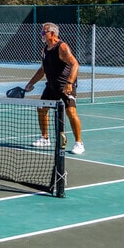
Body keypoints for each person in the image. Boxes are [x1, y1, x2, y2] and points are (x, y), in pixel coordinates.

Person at [25, 22, 84, 154]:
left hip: (65, 86)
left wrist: (69, 83)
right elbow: (42, 70)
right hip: (51, 86)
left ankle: (79, 143)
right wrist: (30, 83)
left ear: (52, 33)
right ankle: (45, 138)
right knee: (41, 108)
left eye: (43, 32)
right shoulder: (45, 49)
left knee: (71, 112)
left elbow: (75, 64)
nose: (41, 35)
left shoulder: (62, 47)